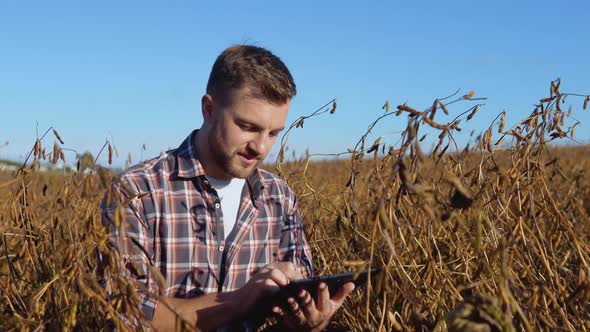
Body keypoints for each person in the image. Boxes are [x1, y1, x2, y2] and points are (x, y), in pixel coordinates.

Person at [101, 44, 355, 331]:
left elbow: (300, 305)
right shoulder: (136, 191)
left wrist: (313, 320)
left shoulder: (278, 196)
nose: (260, 147)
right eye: (247, 126)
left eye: (273, 133)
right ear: (208, 109)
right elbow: (123, 314)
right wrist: (239, 301)